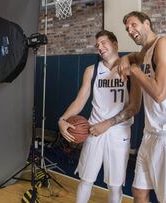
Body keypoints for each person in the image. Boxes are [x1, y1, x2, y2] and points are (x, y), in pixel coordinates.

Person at [58, 30, 141, 203]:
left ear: (115, 44)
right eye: (97, 45)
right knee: (86, 179)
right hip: (94, 130)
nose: (100, 47)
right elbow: (80, 100)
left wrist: (108, 124)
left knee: (115, 184)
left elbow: (134, 107)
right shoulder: (92, 70)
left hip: (119, 132)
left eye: (104, 43)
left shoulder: (131, 70)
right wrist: (62, 119)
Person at [118, 11, 166, 203]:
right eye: (127, 28)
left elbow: (159, 94)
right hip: (150, 133)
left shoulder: (164, 44)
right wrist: (126, 59)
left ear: (147, 24)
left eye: (133, 25)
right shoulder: (145, 52)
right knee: (139, 190)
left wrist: (133, 69)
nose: (130, 30)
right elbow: (135, 55)